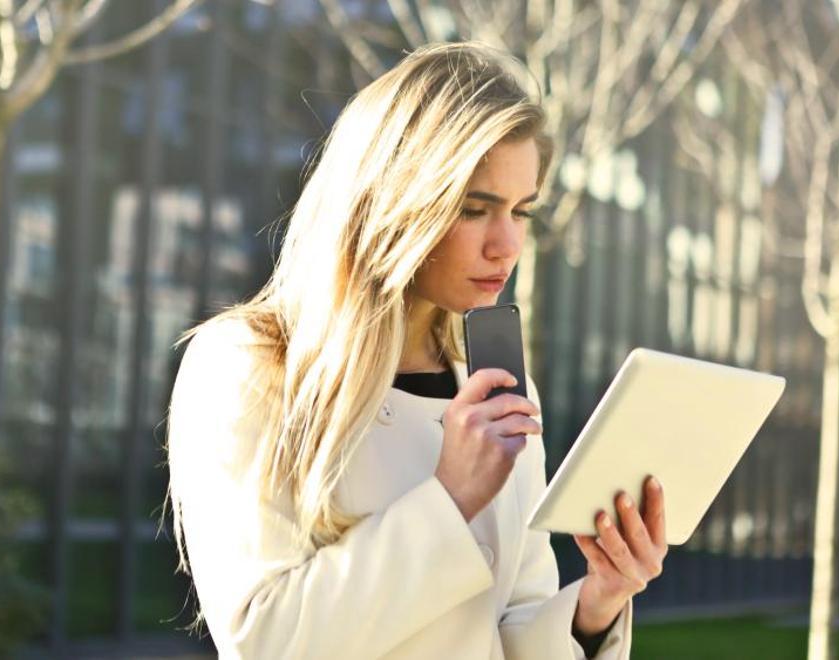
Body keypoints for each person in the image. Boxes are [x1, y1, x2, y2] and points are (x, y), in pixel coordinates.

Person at [162, 41, 668, 659]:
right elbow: (265, 639)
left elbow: (509, 626)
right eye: (475, 209)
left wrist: (594, 608)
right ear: (396, 202)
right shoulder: (249, 365)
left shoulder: (498, 383)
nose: (506, 244)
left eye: (521, 212)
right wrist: (450, 498)